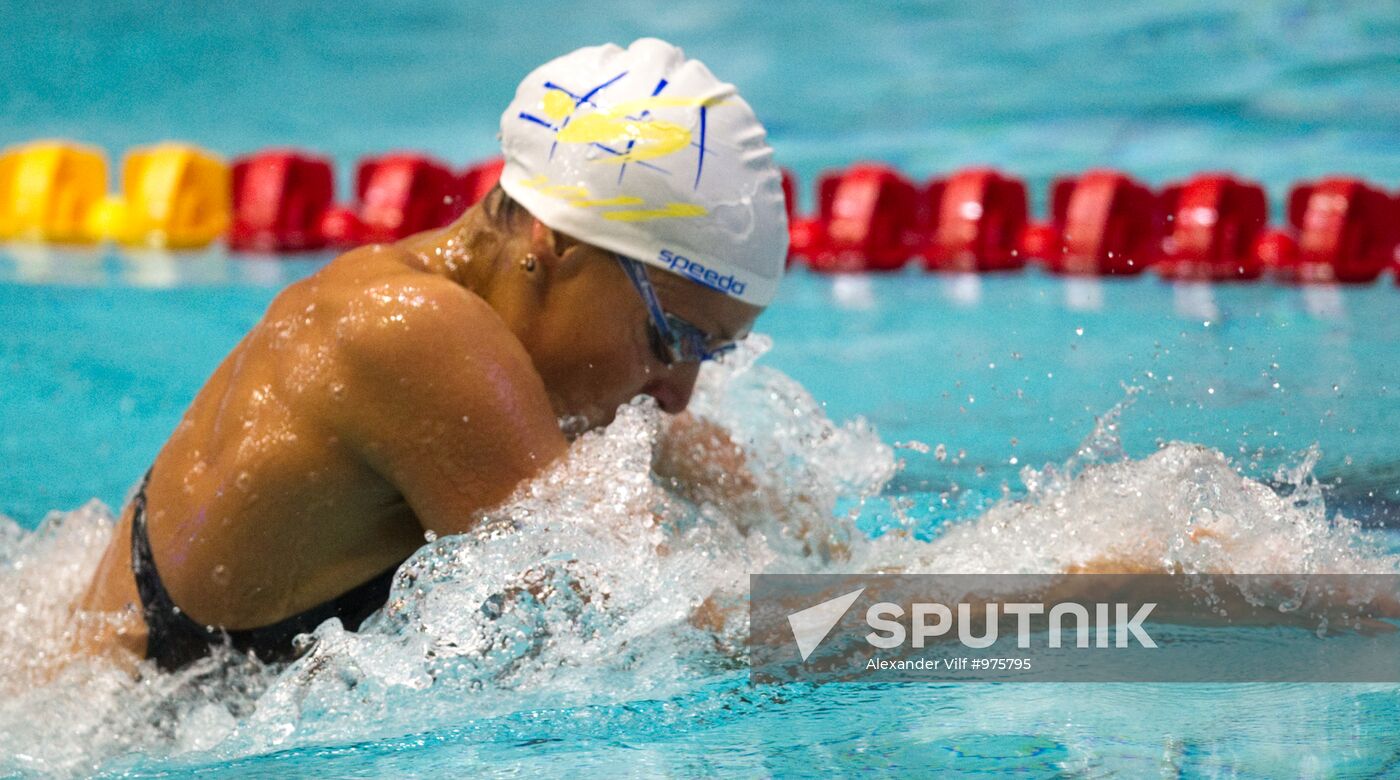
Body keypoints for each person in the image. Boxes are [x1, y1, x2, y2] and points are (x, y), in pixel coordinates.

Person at [75, 38, 789, 671]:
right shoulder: (419, 333)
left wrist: (854, 556)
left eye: (713, 353)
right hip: (123, 742)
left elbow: (745, 501)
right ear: (558, 242)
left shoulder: (516, 343)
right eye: (670, 341)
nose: (679, 392)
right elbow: (652, 622)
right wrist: (902, 629)